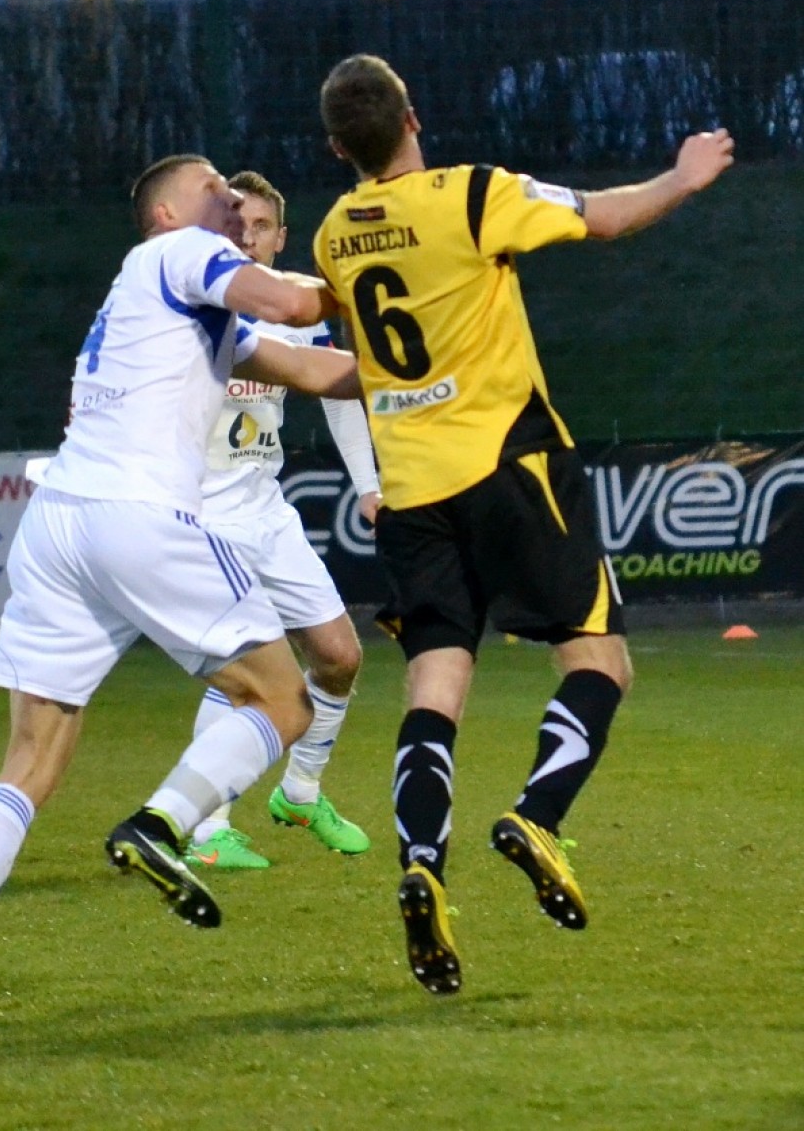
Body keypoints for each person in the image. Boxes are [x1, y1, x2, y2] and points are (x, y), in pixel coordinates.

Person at [313, 53, 735, 997]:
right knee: (599, 660)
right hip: (511, 464)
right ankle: (538, 814)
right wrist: (683, 176)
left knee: (435, 685)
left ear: (339, 149)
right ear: (413, 115)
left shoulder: (336, 232)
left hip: (410, 493)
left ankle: (423, 864)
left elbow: (354, 349)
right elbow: (604, 216)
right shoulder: (472, 194)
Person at [0, 154, 360, 1003]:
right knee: (284, 702)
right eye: (211, 187)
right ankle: (162, 823)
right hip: (137, 517)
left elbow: (315, 369)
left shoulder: (176, 307)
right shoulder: (176, 253)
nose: (229, 197)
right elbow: (296, 305)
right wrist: (381, 280)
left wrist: (422, 375)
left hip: (58, 527)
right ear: (165, 215)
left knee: (30, 759)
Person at [176, 170, 380, 870]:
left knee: (340, 656)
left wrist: (369, 487)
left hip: (266, 508)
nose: (247, 236)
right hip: (202, 517)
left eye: (261, 226)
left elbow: (339, 393)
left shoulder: (293, 309)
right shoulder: (189, 301)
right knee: (245, 676)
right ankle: (208, 829)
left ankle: (300, 791)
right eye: (236, 223)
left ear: (280, 237)